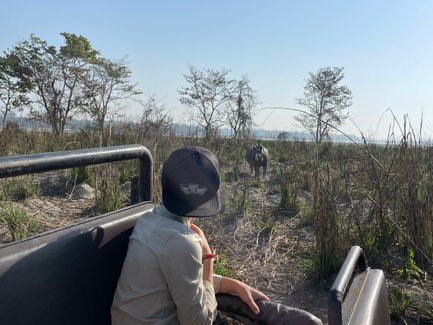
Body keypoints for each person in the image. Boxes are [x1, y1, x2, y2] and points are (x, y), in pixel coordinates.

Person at [111, 146, 322, 325]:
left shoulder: (150, 219)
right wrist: (208, 258)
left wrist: (233, 285)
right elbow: (200, 322)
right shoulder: (182, 241)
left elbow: (178, 277)